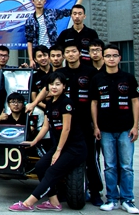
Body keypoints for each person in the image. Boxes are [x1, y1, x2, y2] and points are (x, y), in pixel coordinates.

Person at [29, 41, 103, 206]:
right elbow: (46, 89)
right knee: (59, 158)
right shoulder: (60, 73)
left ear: (79, 53)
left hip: (84, 123)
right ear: (64, 55)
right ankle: (62, 191)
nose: (70, 54)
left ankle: (95, 192)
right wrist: (34, 104)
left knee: (91, 159)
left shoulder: (90, 72)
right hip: (63, 124)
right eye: (67, 52)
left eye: (73, 51)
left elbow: (94, 100)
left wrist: (96, 124)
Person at [8, 72, 87, 212]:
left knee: (52, 171)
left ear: (64, 86)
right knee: (40, 166)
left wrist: (58, 151)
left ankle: (27, 203)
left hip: (74, 148)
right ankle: (54, 202)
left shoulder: (66, 103)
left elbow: (66, 129)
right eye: (51, 84)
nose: (54, 87)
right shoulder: (50, 103)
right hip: (59, 146)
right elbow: (46, 126)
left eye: (58, 84)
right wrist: (34, 141)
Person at [91, 44, 139, 214]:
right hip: (105, 130)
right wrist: (96, 126)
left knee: (126, 166)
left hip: (126, 129)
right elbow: (94, 103)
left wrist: (135, 126)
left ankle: (128, 200)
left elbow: (135, 101)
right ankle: (112, 199)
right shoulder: (97, 79)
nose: (111, 59)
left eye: (114, 55)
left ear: (120, 58)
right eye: (108, 56)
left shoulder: (128, 78)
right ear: (103, 58)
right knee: (110, 166)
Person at [25, 0, 87, 68]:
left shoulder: (51, 13)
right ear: (33, 1)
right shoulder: (30, 19)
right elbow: (29, 40)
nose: (39, 1)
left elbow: (71, 11)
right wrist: (31, 59)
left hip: (53, 51)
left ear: (45, 1)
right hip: (39, 52)